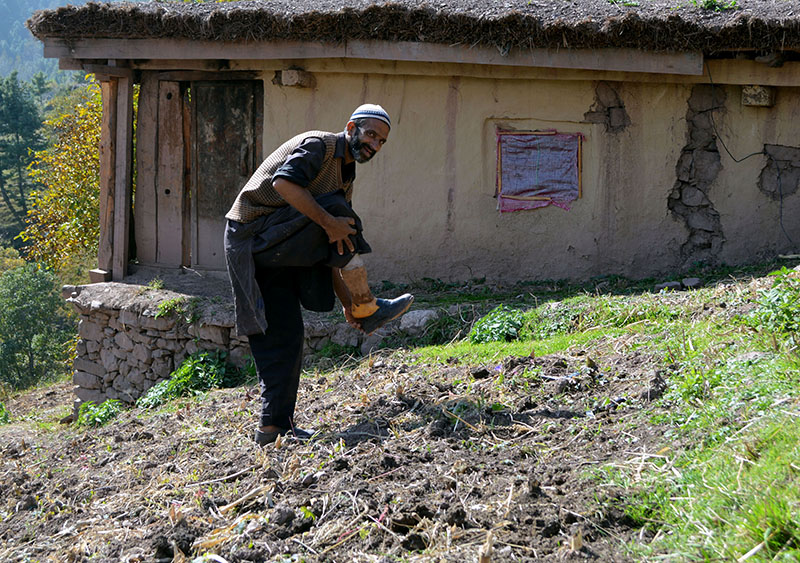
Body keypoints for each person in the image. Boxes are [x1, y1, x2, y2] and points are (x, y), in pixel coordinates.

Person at [224, 104, 414, 446]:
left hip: (281, 243)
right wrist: (328, 221)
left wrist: (346, 305)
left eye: (382, 141)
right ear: (351, 127)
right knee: (338, 214)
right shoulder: (320, 146)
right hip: (253, 237)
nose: (375, 145)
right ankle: (367, 304)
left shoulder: (347, 172)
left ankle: (274, 428)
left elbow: (334, 247)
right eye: (370, 134)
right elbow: (284, 184)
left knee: (288, 334)